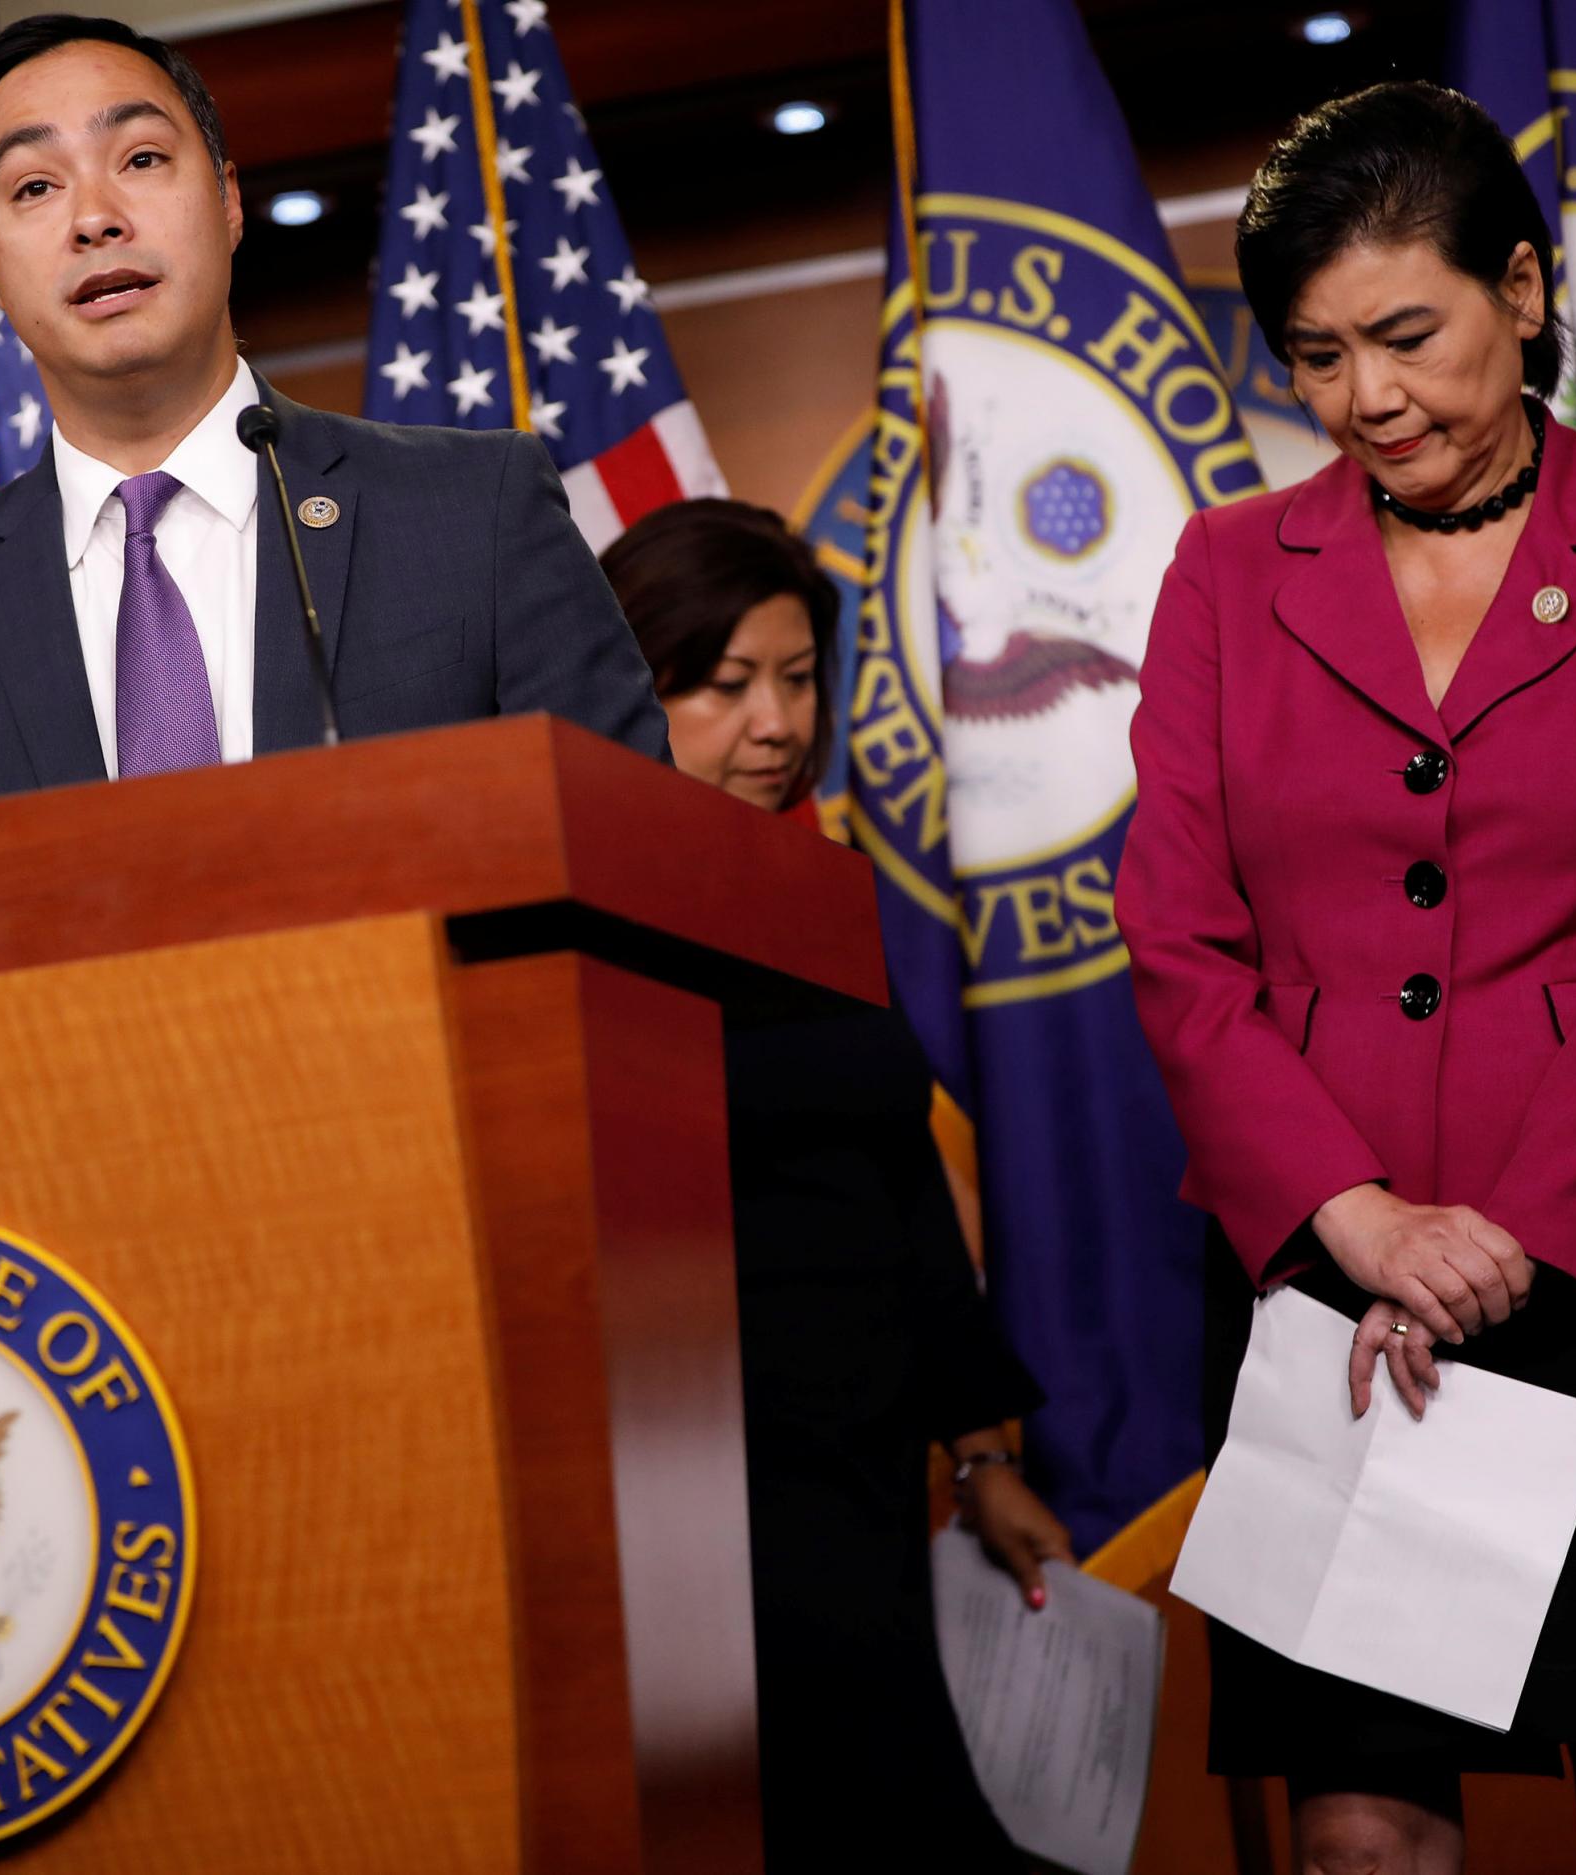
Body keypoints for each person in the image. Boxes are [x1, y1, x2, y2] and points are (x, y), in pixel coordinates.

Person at [1118, 81, 1576, 1875]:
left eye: (1407, 335)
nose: (1367, 400)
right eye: (1312, 356)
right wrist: (1352, 1219)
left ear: (1522, 292)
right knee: (1361, 1830)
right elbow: (1180, 938)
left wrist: (1516, 1227)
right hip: (1328, 1292)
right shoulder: (1224, 571)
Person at [0, 14, 667, 821]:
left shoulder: (474, 508)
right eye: (35, 185)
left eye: (140, 159)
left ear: (227, 201)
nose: (96, 219)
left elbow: (632, 846)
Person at [604, 498, 1072, 1866]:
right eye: (727, 684)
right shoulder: (579, 910)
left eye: (799, 678)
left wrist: (979, 1450)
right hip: (703, 1478)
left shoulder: (818, 891)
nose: (775, 725)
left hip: (865, 1465)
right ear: (633, 680)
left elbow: (900, 1177)